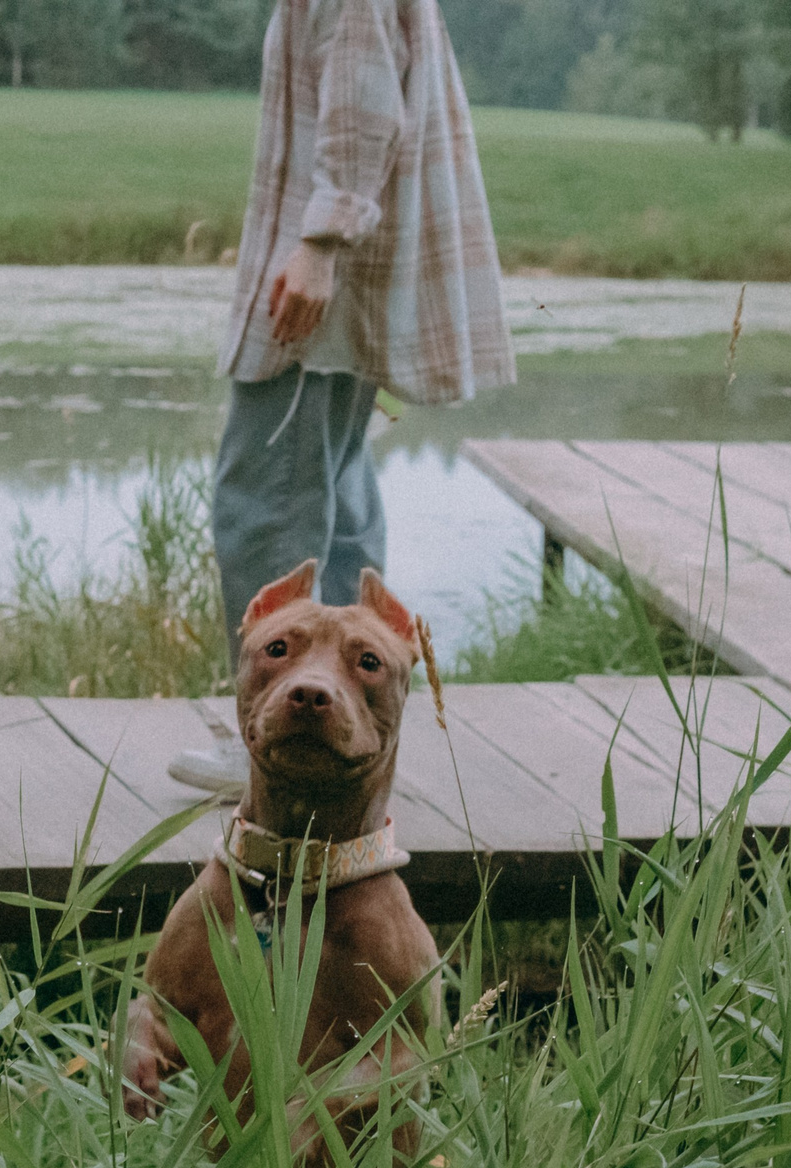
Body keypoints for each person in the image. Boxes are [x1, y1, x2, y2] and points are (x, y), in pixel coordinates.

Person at [169, 0, 516, 796]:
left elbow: (363, 109)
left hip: (327, 274)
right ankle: (357, 727)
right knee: (337, 490)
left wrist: (321, 242)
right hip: (344, 269)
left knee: (266, 499)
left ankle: (269, 745)